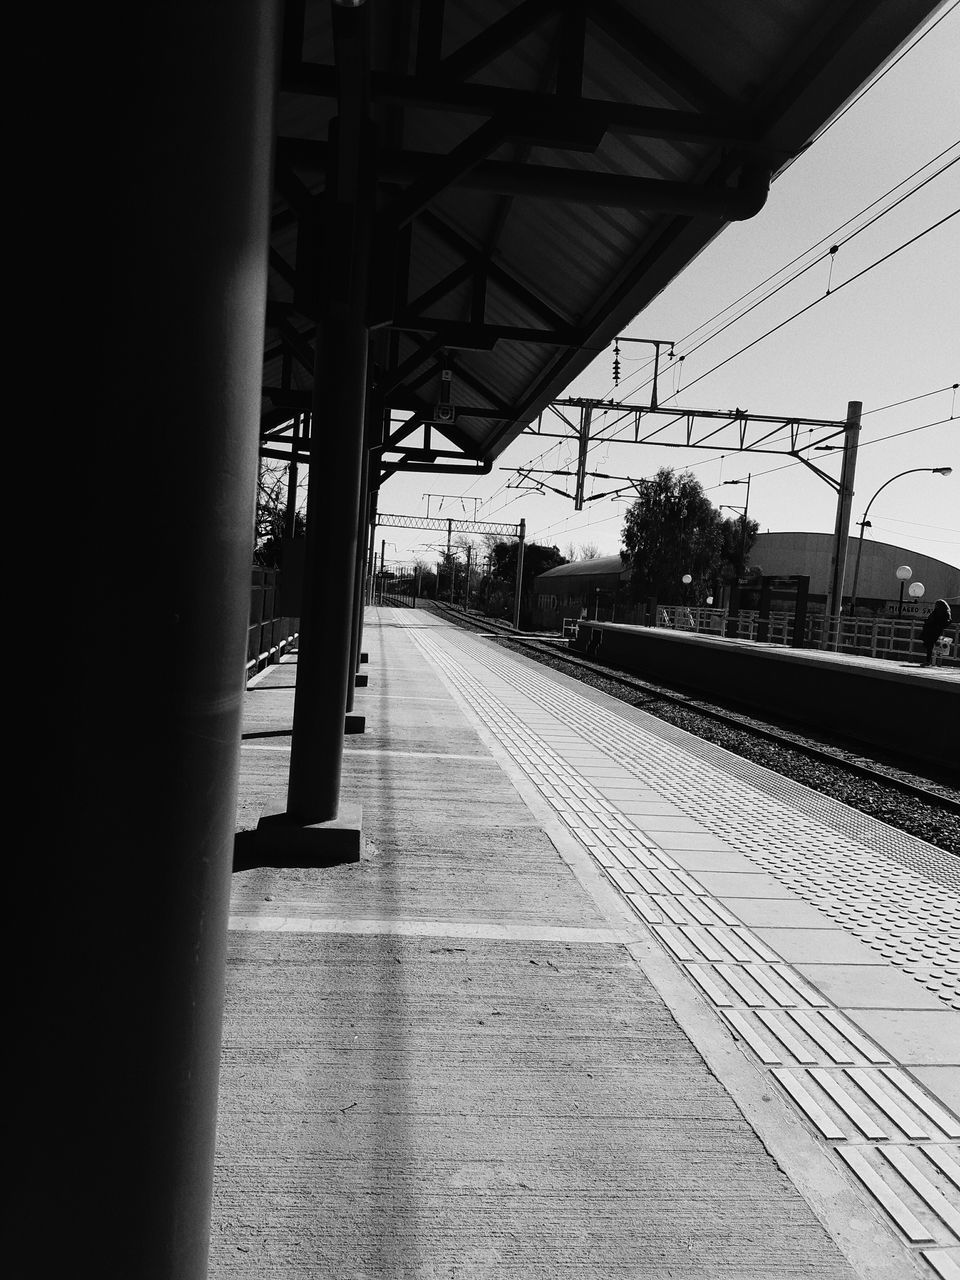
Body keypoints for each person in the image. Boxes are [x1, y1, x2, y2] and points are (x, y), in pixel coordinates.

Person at [920, 599, 952, 665]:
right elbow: (948, 622)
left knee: (930, 646)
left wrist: (928, 622)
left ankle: (928, 661)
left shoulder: (937, 612)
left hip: (932, 630)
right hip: (937, 630)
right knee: (931, 645)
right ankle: (933, 662)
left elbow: (932, 620)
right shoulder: (946, 613)